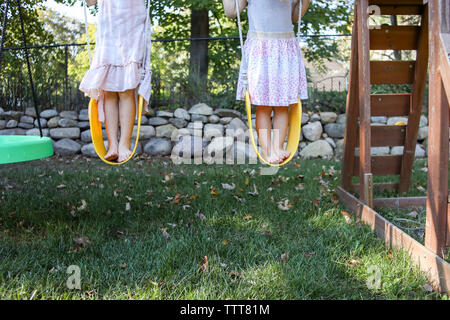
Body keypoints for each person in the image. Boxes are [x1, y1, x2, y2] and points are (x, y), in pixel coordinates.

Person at [223, 0, 309, 164]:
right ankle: (267, 150)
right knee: (263, 106)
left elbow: (295, 16)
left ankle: (277, 148)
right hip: (260, 49)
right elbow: (231, 12)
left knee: (282, 105)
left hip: (285, 49)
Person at [80, 0, 151, 162]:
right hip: (109, 29)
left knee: (126, 90)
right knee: (109, 91)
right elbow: (91, 2)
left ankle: (124, 144)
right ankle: (112, 144)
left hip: (133, 28)